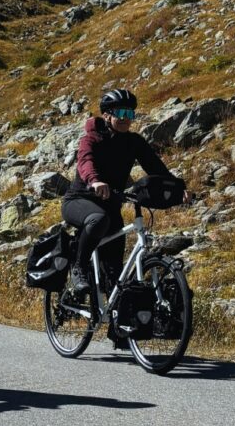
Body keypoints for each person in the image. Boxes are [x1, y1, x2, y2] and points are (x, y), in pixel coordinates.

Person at [61, 88, 188, 294]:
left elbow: (157, 169)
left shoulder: (134, 142)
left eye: (130, 114)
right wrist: (95, 181)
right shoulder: (91, 139)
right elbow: (86, 162)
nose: (125, 118)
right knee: (98, 219)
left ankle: (116, 321)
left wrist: (179, 189)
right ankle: (78, 268)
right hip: (80, 200)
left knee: (115, 273)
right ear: (107, 115)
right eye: (120, 113)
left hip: (111, 206)